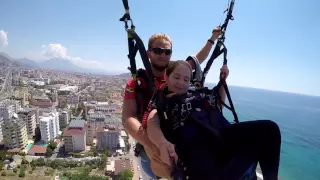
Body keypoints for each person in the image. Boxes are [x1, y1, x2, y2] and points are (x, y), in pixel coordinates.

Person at [146, 60, 282, 180]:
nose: (181, 83)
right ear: (167, 78)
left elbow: (217, 104)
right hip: (196, 146)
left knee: (270, 129)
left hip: (220, 136)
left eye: (186, 79)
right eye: (176, 77)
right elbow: (152, 121)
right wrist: (162, 143)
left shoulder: (197, 94)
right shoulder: (163, 103)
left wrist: (223, 80)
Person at [122, 27, 222, 178]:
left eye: (167, 51)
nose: (163, 54)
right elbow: (128, 118)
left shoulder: (177, 75)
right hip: (150, 148)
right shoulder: (136, 83)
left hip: (178, 142)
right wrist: (151, 145)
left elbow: (198, 58)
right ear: (148, 53)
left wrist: (213, 38)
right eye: (158, 50)